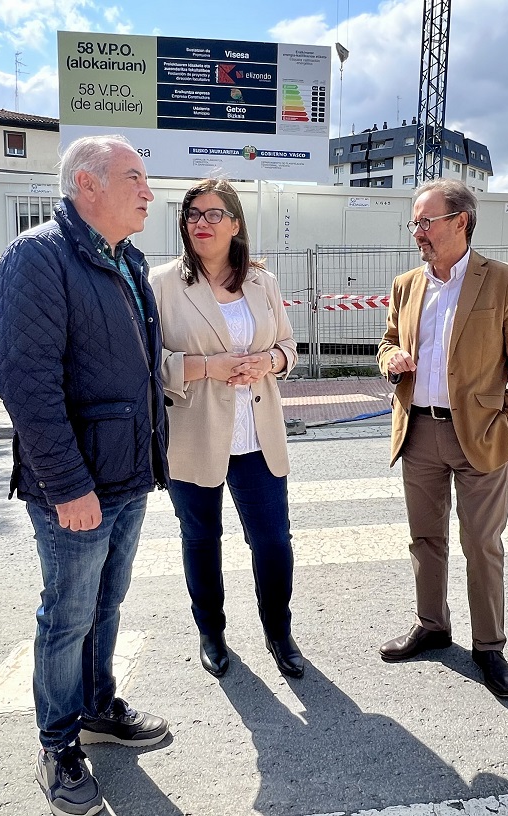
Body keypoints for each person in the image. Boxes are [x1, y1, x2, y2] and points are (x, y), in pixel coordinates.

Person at [0, 134, 170, 816]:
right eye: (134, 177)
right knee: (67, 616)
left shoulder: (126, 258)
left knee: (107, 603)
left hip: (126, 475)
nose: (148, 192)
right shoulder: (38, 257)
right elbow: (27, 383)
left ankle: (96, 709)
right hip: (76, 485)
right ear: (87, 185)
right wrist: (68, 486)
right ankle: (58, 746)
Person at [377, 178, 508, 698]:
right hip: (419, 431)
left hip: (481, 436)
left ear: (461, 221)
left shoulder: (503, 280)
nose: (418, 232)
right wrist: (391, 362)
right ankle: (432, 624)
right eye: (415, 222)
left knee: (481, 544)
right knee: (426, 539)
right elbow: (386, 344)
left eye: (426, 221)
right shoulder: (407, 285)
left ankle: (489, 646)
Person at [150, 178, 302, 680]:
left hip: (258, 435)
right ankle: (211, 632)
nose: (201, 223)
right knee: (201, 540)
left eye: (214, 214)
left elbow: (289, 348)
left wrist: (269, 360)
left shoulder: (264, 282)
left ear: (235, 224)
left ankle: (278, 631)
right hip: (195, 435)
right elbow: (149, 362)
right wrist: (206, 367)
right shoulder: (162, 284)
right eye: (193, 214)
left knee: (274, 541)